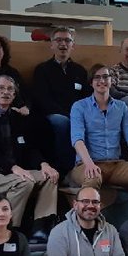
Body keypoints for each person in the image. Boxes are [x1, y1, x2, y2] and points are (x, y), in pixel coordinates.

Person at [0, 75, 60, 241]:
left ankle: (40, 229)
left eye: (10, 89)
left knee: (51, 177)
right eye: (1, 88)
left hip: (12, 171)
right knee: (25, 182)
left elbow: (29, 148)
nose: (5, 92)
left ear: (14, 95)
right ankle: (8, 229)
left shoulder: (16, 118)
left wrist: (43, 164)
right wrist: (12, 167)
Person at [69, 63, 128, 188]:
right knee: (93, 177)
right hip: (86, 164)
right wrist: (89, 163)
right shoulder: (79, 106)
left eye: (105, 77)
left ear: (111, 81)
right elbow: (77, 139)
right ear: (91, 83)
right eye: (97, 77)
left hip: (116, 165)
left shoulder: (121, 107)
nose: (102, 81)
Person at [31, 27, 89, 174]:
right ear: (52, 45)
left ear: (72, 45)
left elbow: (86, 98)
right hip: (53, 115)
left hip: (77, 115)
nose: (63, 44)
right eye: (59, 40)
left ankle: (86, 166)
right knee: (63, 122)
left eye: (67, 40)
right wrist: (68, 115)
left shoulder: (80, 71)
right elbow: (42, 99)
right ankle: (66, 169)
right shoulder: (42, 70)